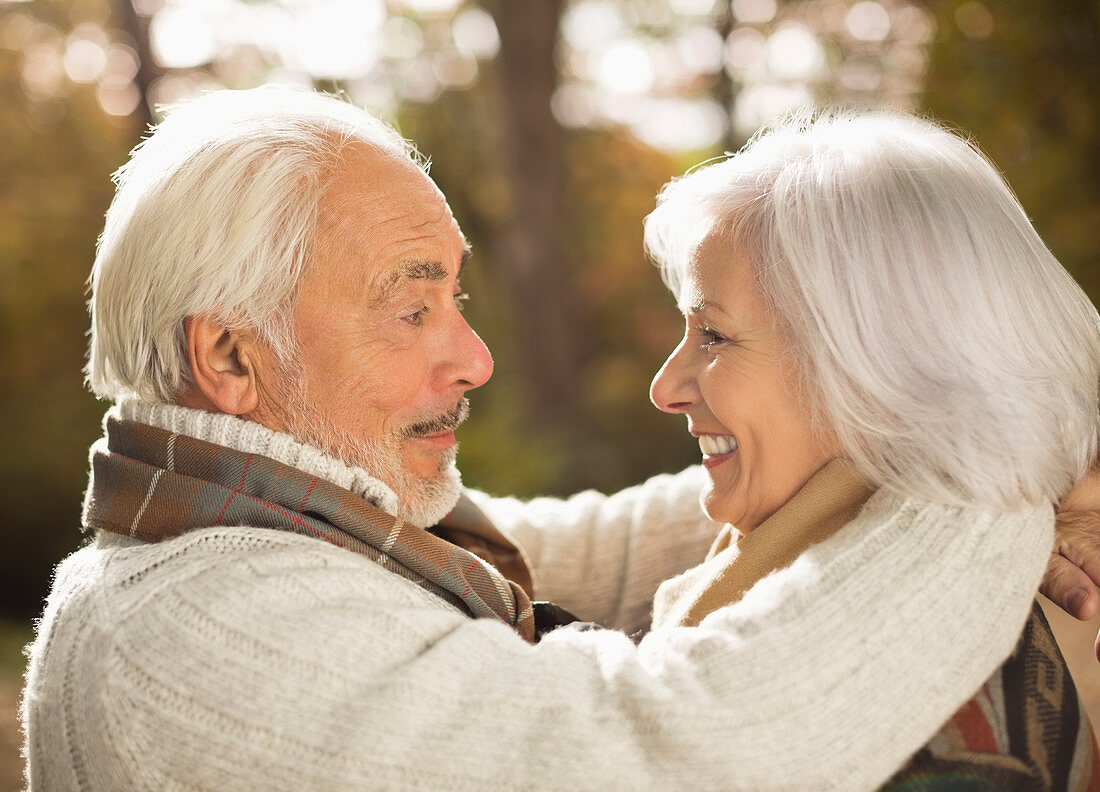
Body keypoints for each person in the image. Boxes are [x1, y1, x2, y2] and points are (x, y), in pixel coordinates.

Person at [17, 86, 1100, 791]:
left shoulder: (273, 533)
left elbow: (603, 548)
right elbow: (667, 753)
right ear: (233, 361)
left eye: (459, 299)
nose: (473, 357)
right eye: (412, 309)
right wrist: (983, 477)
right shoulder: (195, 636)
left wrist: (946, 454)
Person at [643, 110, 1100, 787]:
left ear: (875, 369)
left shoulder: (932, 747)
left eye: (713, 336)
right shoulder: (795, 566)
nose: (665, 387)